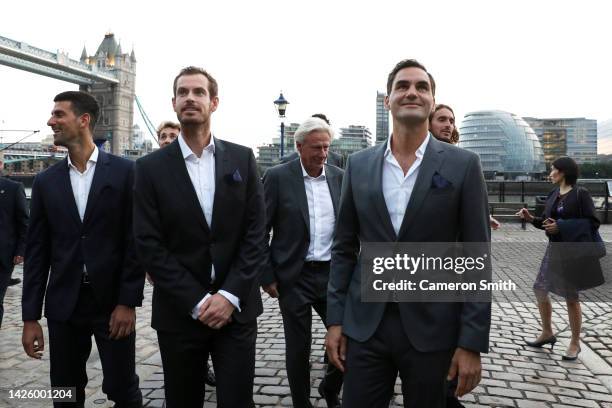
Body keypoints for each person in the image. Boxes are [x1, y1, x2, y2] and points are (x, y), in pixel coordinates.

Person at [326, 59, 491, 407]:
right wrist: (335, 321)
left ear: (432, 101)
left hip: (433, 328)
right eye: (402, 86)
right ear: (388, 100)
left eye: (421, 87)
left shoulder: (464, 165)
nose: (411, 92)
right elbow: (343, 248)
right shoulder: (358, 165)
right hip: (365, 324)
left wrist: (471, 341)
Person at [133, 66, 265, 408]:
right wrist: (197, 300)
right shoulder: (148, 169)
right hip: (179, 314)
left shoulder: (242, 158)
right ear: (174, 103)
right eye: (183, 92)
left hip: (236, 312)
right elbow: (148, 242)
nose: (190, 98)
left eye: (199, 92)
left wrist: (229, 295)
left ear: (214, 102)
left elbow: (254, 235)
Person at [22, 91, 144, 408]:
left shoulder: (125, 172)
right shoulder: (46, 181)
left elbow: (135, 242)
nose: (51, 121)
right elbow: (37, 253)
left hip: (111, 305)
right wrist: (30, 317)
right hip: (64, 307)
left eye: (59, 114)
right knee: (65, 394)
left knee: (123, 390)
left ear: (83, 120)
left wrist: (127, 302)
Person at [261, 117, 344, 408]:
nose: (322, 153)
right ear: (298, 147)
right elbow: (261, 229)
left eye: (326, 147)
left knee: (347, 337)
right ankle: (301, 403)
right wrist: (266, 274)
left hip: (332, 274)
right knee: (298, 348)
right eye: (316, 147)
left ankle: (330, 388)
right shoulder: (277, 177)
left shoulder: (339, 176)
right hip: (294, 277)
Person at [149, 119, 217, 388]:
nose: (166, 139)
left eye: (171, 135)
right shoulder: (149, 171)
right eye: (162, 136)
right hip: (172, 278)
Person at [517, 157, 602, 360]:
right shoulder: (554, 193)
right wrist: (531, 219)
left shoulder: (581, 194)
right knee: (540, 288)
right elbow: (548, 223)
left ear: (563, 172)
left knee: (571, 298)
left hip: (573, 252)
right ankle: (547, 332)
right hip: (554, 250)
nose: (550, 173)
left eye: (553, 170)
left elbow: (593, 222)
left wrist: (562, 226)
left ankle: (575, 343)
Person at [429, 104, 501, 231]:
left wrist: (483, 216)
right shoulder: (419, 156)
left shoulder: (462, 160)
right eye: (442, 119)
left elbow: (464, 196)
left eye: (451, 121)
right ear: (428, 124)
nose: (448, 125)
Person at [0, 152, 28, 327]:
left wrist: (21, 250)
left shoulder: (13, 188)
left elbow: (24, 222)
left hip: (3, 255)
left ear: (1, 165)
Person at [280, 114, 344, 169]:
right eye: (316, 147)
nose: (322, 155)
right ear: (299, 145)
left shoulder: (337, 160)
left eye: (325, 147)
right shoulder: (287, 161)